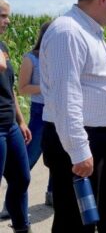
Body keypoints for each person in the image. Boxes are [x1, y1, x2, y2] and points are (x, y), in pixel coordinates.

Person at [40, 0, 106, 232]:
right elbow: (65, 96)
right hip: (80, 141)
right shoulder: (68, 32)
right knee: (76, 221)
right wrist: (79, 151)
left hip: (104, 138)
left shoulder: (88, 29)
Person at [0, 0, 32, 233]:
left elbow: (8, 86)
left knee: (22, 179)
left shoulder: (3, 47)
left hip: (9, 125)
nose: (7, 21)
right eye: (2, 16)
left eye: (7, 15)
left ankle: (22, 227)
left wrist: (20, 120)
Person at [17, 22, 53, 206]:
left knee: (58, 158)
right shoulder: (31, 58)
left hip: (58, 112)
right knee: (28, 159)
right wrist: (48, 89)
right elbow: (22, 88)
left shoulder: (60, 57)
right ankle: (11, 203)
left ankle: (52, 195)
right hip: (40, 113)